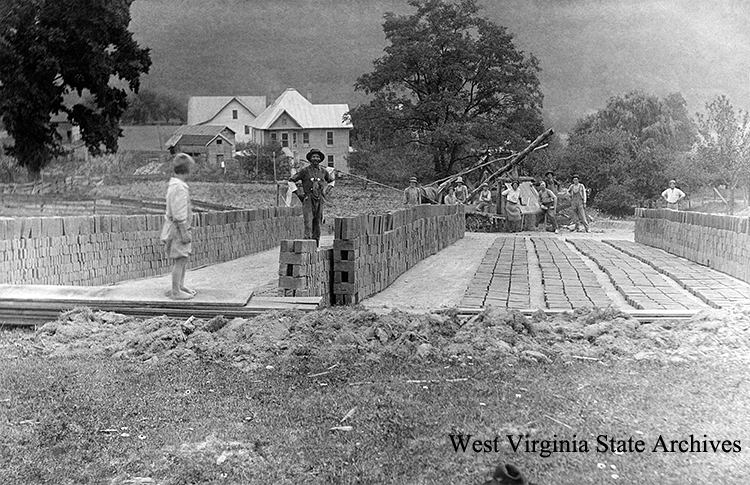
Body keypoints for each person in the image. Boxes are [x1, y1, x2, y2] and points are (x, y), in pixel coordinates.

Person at [160, 153, 196, 300]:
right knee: (180, 258)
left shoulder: (175, 186)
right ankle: (176, 290)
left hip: (178, 227)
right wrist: (184, 232)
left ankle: (180, 285)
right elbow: (178, 213)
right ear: (187, 170)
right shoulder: (179, 189)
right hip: (178, 229)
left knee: (183, 257)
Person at [289, 148, 334, 245]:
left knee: (318, 221)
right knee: (308, 221)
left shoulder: (324, 171)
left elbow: (332, 181)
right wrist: (298, 194)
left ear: (320, 159)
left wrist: (326, 192)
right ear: (310, 159)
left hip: (320, 199)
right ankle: (307, 244)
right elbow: (291, 181)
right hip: (308, 198)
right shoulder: (304, 171)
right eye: (313, 157)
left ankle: (316, 244)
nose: (315, 159)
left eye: (317, 157)